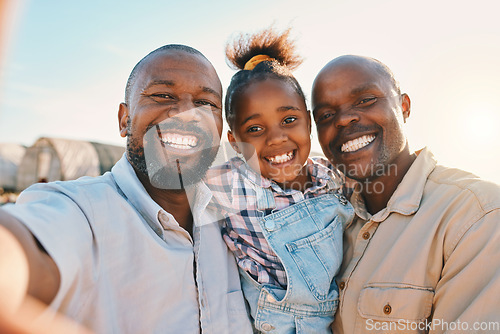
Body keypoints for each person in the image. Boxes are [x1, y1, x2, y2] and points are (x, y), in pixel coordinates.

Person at [0, 45, 253, 333]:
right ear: (124, 118)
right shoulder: (80, 211)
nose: (185, 113)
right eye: (162, 95)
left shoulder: (239, 218)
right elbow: (21, 248)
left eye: (206, 102)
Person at [311, 55, 500, 333]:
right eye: (326, 115)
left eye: (365, 100)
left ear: (404, 106)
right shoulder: (322, 221)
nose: (343, 119)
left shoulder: (475, 215)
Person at [204, 28, 354, 333]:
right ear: (234, 141)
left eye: (289, 120)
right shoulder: (228, 182)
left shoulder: (334, 180)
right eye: (255, 129)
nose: (276, 139)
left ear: (309, 121)